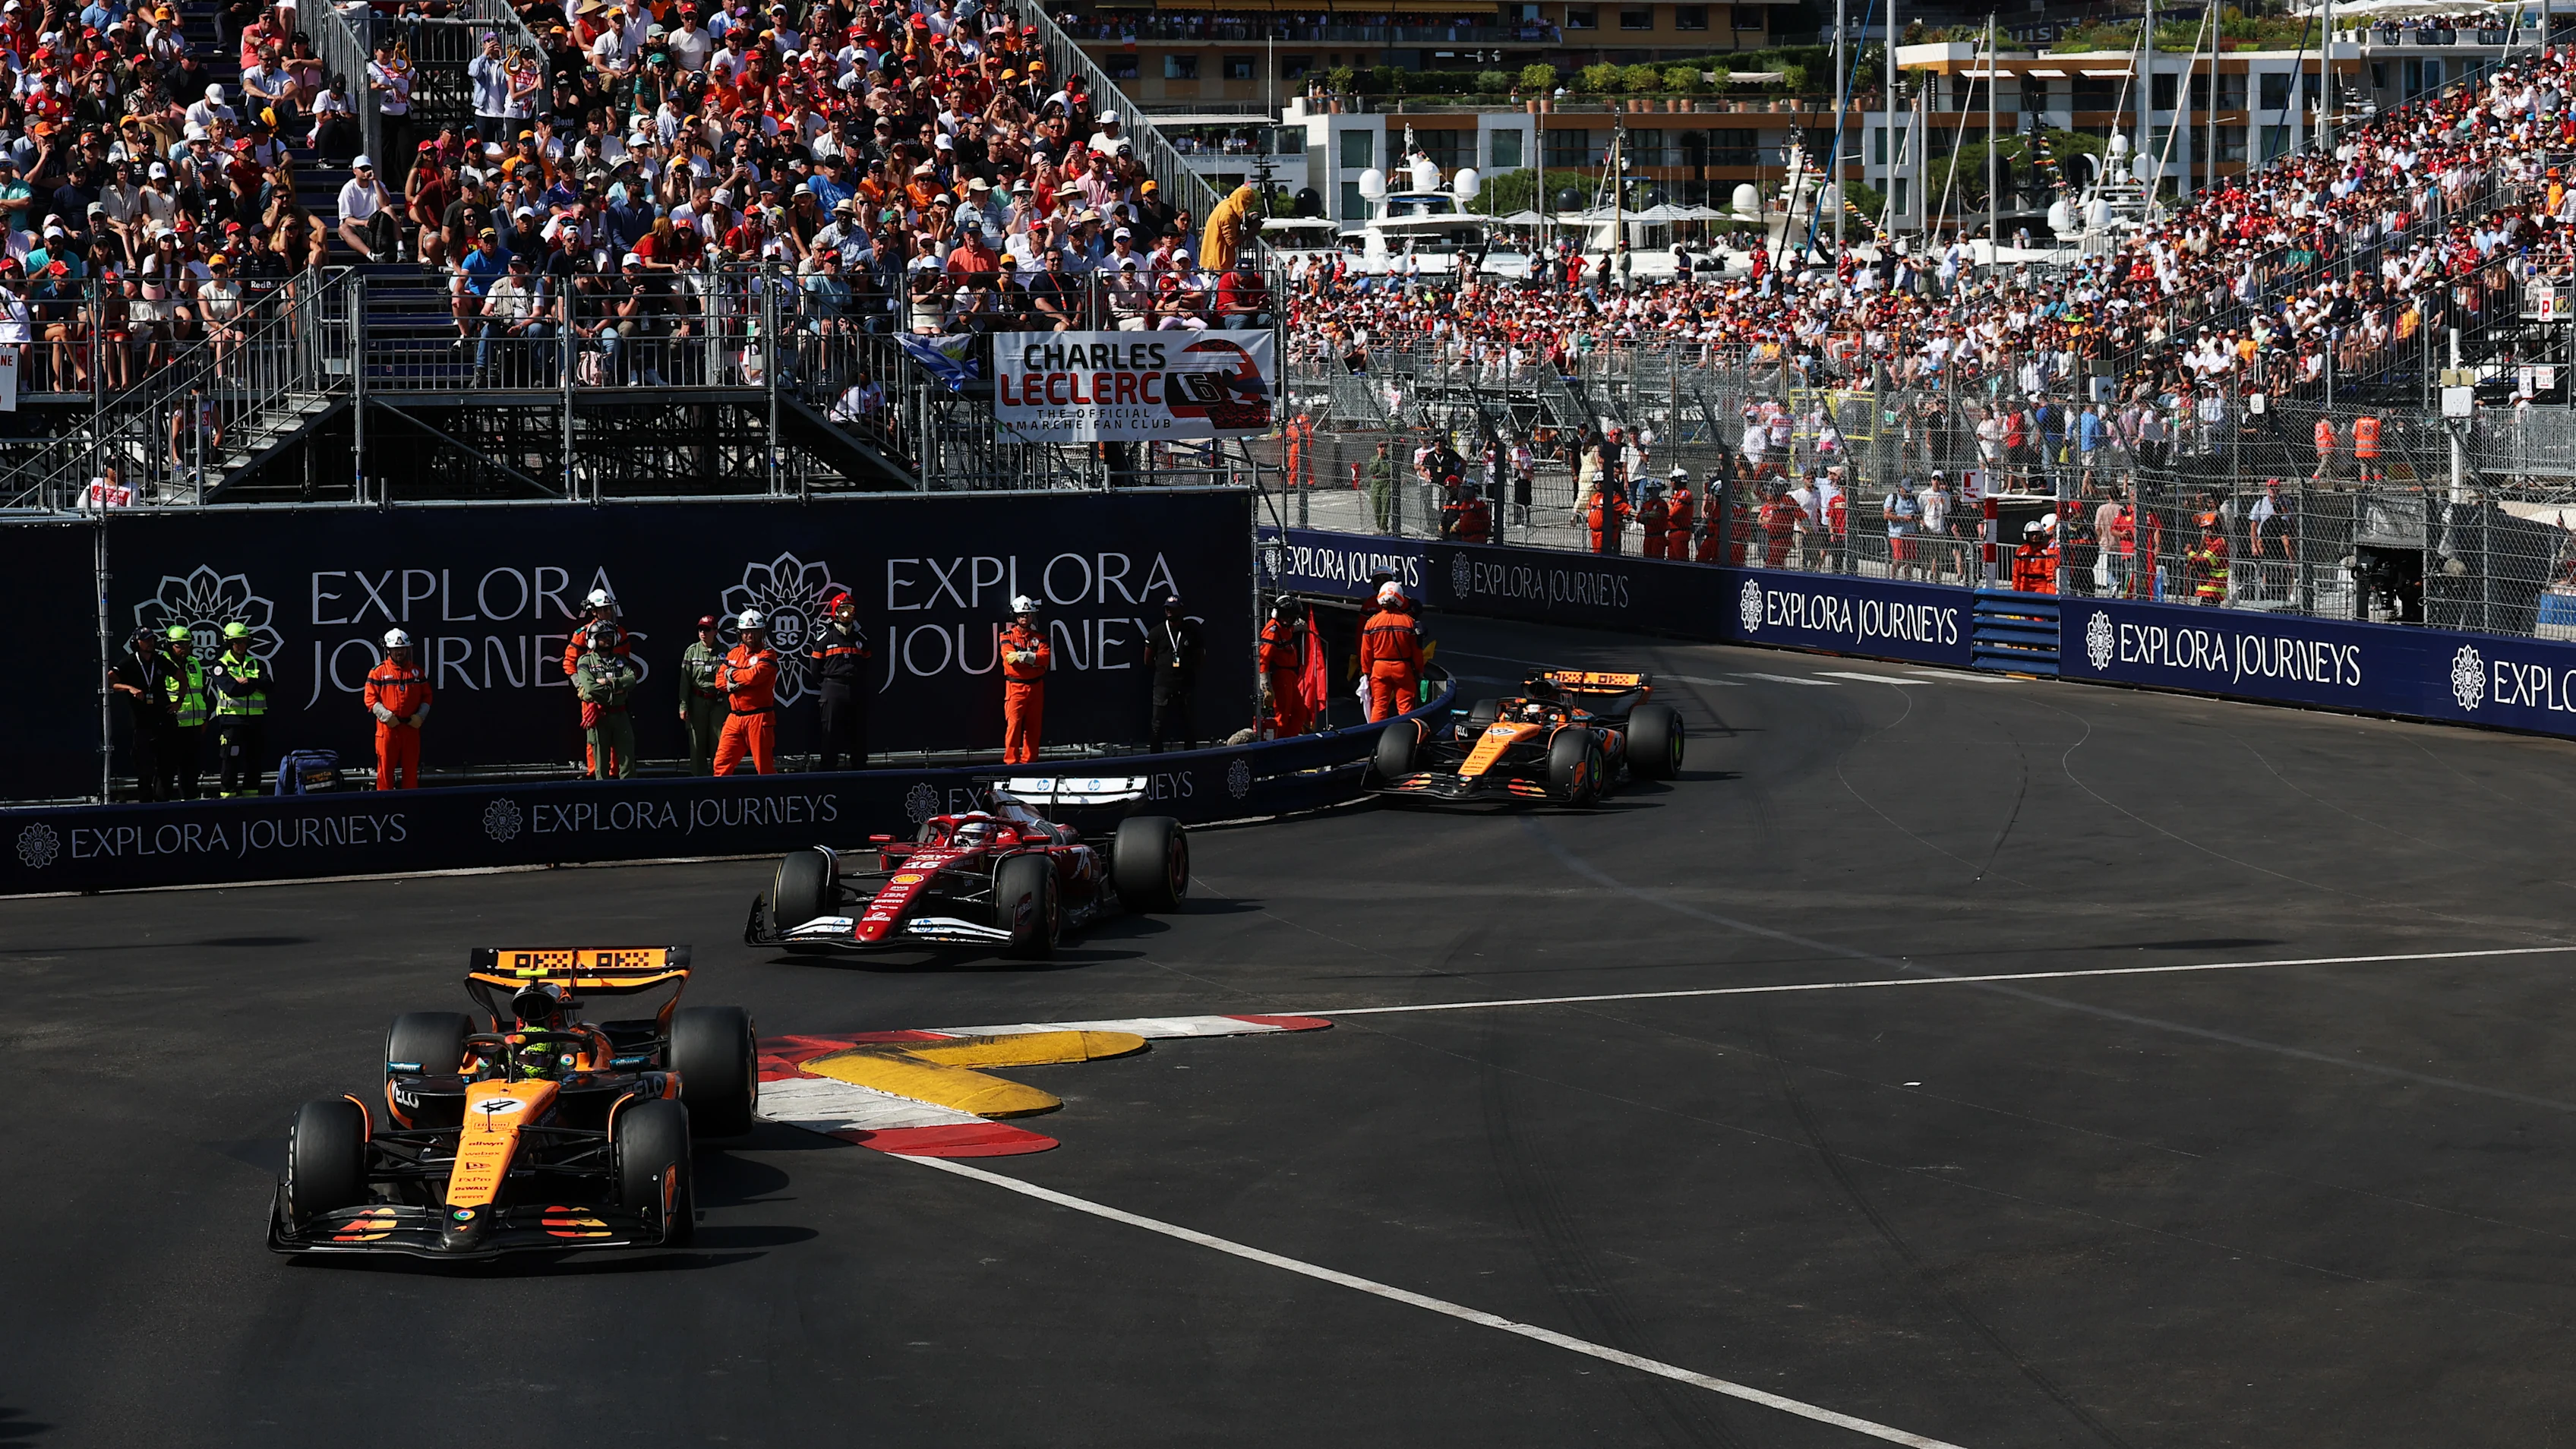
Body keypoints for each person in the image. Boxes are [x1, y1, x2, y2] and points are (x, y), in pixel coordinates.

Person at [109, 627, 176, 801]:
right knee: (144, 766)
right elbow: (109, 681)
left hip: (163, 719)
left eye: (152, 640)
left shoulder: (160, 661)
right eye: (145, 640)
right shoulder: (129, 662)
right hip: (142, 722)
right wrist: (129, 688)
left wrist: (180, 701)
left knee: (165, 766)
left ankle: (163, 801)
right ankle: (145, 803)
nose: (150, 643)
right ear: (136, 643)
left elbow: (182, 678)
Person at [807, 591, 871, 772]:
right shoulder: (824, 640)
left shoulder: (860, 640)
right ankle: (828, 770)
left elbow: (868, 665)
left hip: (856, 689)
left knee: (858, 733)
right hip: (833, 688)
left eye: (850, 609)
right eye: (842, 609)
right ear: (834, 612)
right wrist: (828, 685)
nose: (846, 614)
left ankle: (860, 769)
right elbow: (814, 669)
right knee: (830, 731)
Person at [206, 621, 270, 797]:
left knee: (254, 760)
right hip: (232, 720)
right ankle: (228, 796)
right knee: (230, 759)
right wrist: (253, 684)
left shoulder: (256, 663)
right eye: (236, 642)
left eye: (244, 641)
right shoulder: (220, 665)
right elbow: (232, 689)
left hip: (255, 720)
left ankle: (252, 794)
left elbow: (268, 685)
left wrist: (248, 681)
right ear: (228, 643)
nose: (240, 645)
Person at [712, 611, 779, 775]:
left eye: (754, 631)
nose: (750, 635)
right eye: (746, 632)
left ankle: (770, 800)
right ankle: (720, 799)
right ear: (740, 633)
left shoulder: (768, 653)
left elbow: (753, 677)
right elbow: (719, 681)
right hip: (734, 718)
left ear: (762, 632)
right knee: (720, 765)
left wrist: (731, 674)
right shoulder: (734, 653)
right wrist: (733, 684)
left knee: (764, 768)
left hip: (759, 717)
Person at [364, 627, 431, 789]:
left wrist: (420, 716)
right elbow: (370, 699)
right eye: (395, 649)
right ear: (388, 650)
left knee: (411, 770)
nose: (399, 652)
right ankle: (385, 806)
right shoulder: (377, 672)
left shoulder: (417, 672)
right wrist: (386, 716)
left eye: (402, 649)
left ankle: (410, 806)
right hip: (387, 730)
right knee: (385, 771)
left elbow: (427, 697)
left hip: (411, 728)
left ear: (408, 649)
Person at [573, 622, 639, 778]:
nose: (607, 639)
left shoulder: (620, 660)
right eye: (602, 636)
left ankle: (629, 793)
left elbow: (631, 681)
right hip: (599, 717)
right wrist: (616, 691)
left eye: (610, 635)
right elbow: (590, 689)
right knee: (601, 763)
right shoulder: (585, 661)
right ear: (593, 639)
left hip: (620, 715)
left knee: (627, 759)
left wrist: (609, 683)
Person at [1141, 595, 1204, 753]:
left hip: (1185, 684)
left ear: (1181, 610)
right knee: (1157, 725)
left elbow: (1200, 657)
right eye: (1167, 609)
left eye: (1173, 608)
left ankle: (1190, 758)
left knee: (1188, 724)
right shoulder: (1157, 632)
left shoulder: (1192, 631)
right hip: (1163, 684)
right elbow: (1147, 659)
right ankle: (1156, 761)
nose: (1169, 612)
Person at [156, 625, 212, 800]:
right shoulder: (161, 664)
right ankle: (160, 809)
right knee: (166, 771)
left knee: (191, 772)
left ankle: (191, 808)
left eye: (187, 644)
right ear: (169, 645)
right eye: (179, 645)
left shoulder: (194, 663)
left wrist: (204, 719)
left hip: (194, 727)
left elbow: (201, 693)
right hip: (172, 726)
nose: (184, 649)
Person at [1359, 581, 1424, 723]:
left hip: (1379, 669)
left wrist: (1366, 672)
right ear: (1400, 598)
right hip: (1403, 669)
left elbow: (1366, 651)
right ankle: (1405, 738)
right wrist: (1419, 670)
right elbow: (1417, 650)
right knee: (1406, 709)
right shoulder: (1409, 622)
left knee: (1379, 707)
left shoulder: (1371, 622)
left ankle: (1375, 739)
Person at [999, 595, 1050, 766]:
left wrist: (1024, 657)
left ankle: (1030, 763)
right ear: (1015, 616)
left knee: (1034, 729)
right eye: (1021, 614)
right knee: (1013, 728)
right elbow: (1010, 662)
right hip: (1015, 688)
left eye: (1028, 614)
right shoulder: (1006, 636)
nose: (1025, 617)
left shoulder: (1040, 637)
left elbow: (1045, 658)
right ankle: (1011, 765)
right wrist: (1033, 660)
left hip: (1037, 688)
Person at [678, 615, 726, 775]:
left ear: (716, 631)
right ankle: (698, 781)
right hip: (697, 701)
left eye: (707, 629)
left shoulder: (725, 651)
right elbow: (685, 681)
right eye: (700, 629)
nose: (703, 633)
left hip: (719, 703)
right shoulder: (692, 651)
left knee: (719, 745)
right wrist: (683, 705)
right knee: (696, 744)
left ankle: (718, 779)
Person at [1258, 598, 1312, 738]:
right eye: (1288, 617)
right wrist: (1266, 687)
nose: (1290, 620)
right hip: (1281, 678)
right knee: (1281, 717)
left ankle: (1288, 741)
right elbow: (1263, 659)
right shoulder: (1272, 630)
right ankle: (1277, 746)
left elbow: (1292, 628)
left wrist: (1301, 626)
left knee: (1300, 713)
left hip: (1290, 678)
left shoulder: (1285, 627)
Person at [2185, 510, 2229, 605]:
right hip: (2209, 589)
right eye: (2205, 529)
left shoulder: (2218, 544)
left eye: (2210, 528)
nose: (2207, 532)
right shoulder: (2210, 543)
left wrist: (2190, 553)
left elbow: (2203, 563)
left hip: (2213, 588)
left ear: (2216, 527)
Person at [1662, 467, 1694, 562]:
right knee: (1671, 560)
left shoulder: (1685, 495)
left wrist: (1667, 509)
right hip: (1674, 532)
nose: (1671, 483)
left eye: (1672, 480)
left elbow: (1671, 513)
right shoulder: (1677, 495)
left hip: (1680, 532)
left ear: (1677, 481)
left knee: (1680, 561)